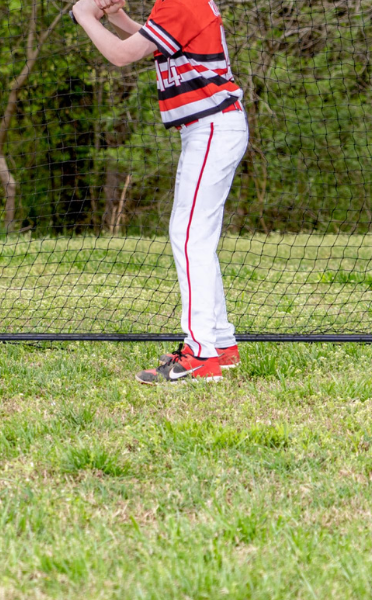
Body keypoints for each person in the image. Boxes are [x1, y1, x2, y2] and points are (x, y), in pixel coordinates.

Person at [72, 0, 249, 384]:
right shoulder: (177, 5)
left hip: (213, 127)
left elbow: (123, 55)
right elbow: (154, 40)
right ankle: (220, 343)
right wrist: (117, 17)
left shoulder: (179, 2)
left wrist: (84, 15)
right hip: (209, 128)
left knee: (189, 237)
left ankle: (201, 353)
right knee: (194, 237)